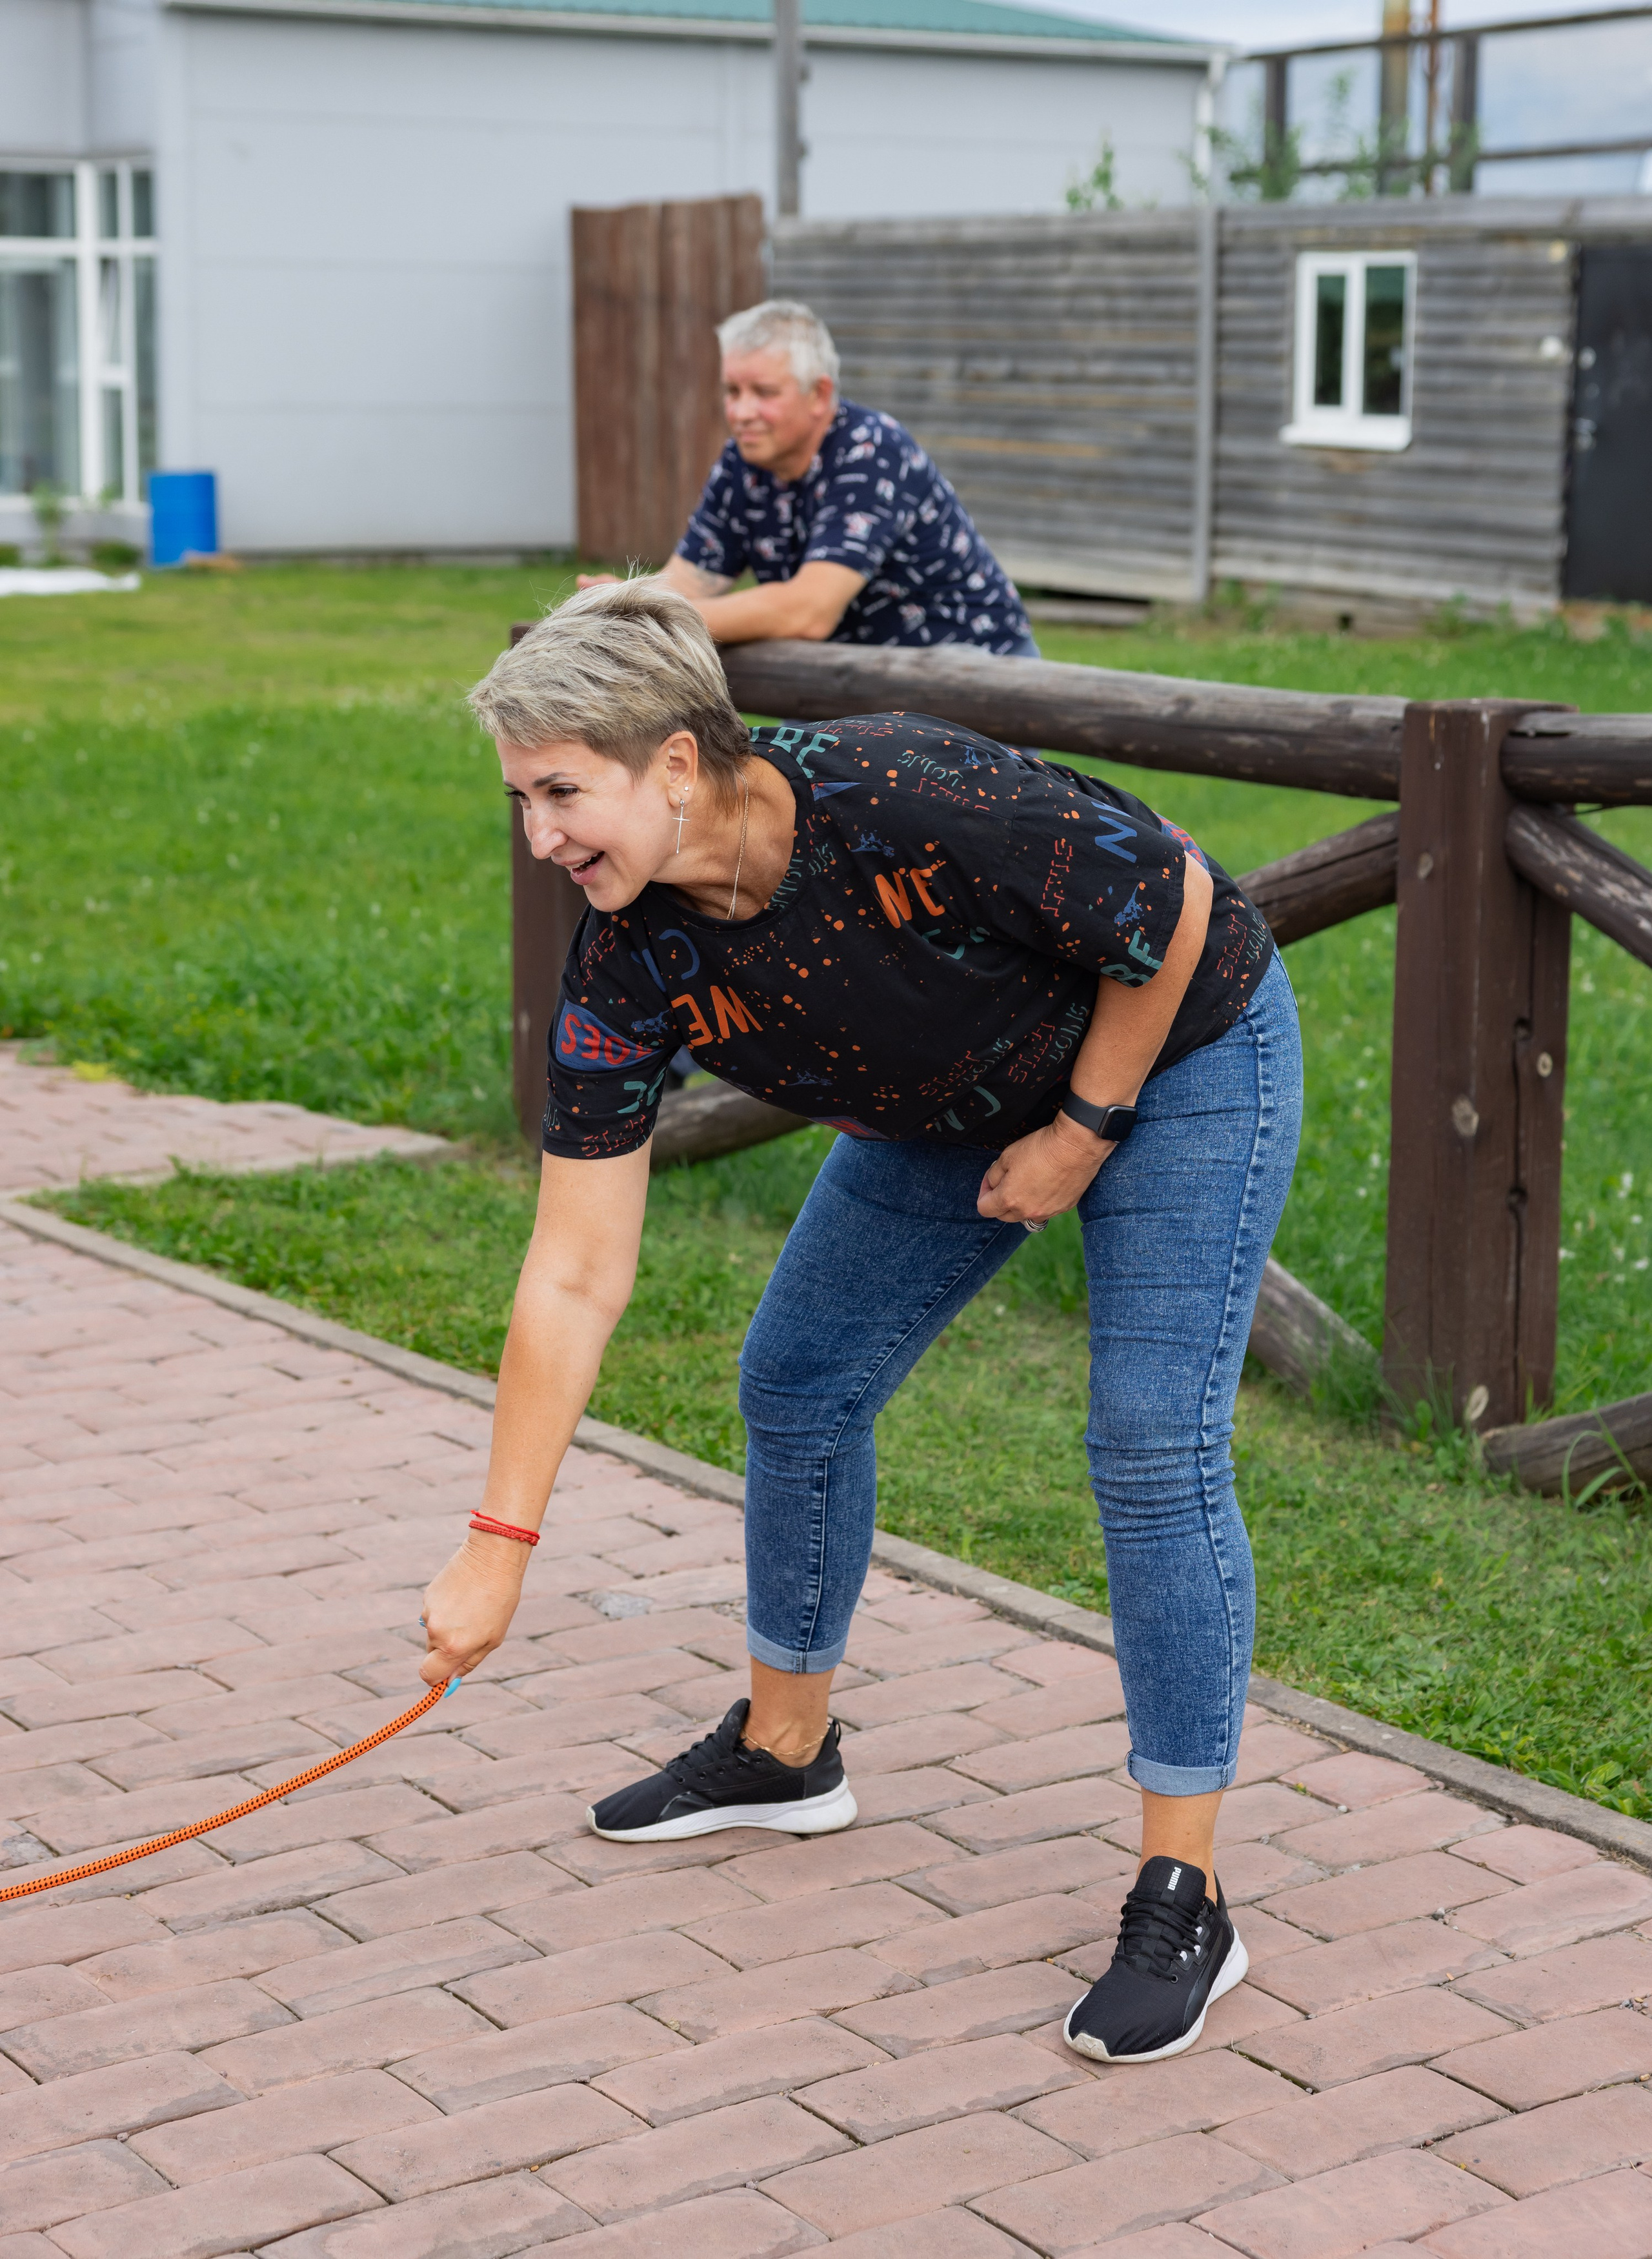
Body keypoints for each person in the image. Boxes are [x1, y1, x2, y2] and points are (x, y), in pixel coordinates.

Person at [420, 578, 1302, 2067]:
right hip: (948, 1099)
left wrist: (1084, 1128)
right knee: (799, 1380)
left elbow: (1174, 903)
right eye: (520, 799)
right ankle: (784, 1752)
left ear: (678, 766)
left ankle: (1183, 1888)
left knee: (1147, 1440)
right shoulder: (627, 955)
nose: (539, 839)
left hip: (1174, 1047)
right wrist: (494, 1544)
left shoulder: (903, 792)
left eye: (562, 794)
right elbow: (573, 1268)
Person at [579, 298, 1036, 657]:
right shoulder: (743, 461)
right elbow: (692, 581)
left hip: (974, 673)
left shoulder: (872, 448)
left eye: (764, 393)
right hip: (860, 680)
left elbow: (808, 612)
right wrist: (626, 600)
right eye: (732, 391)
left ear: (819, 394)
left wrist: (657, 616)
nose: (740, 412)